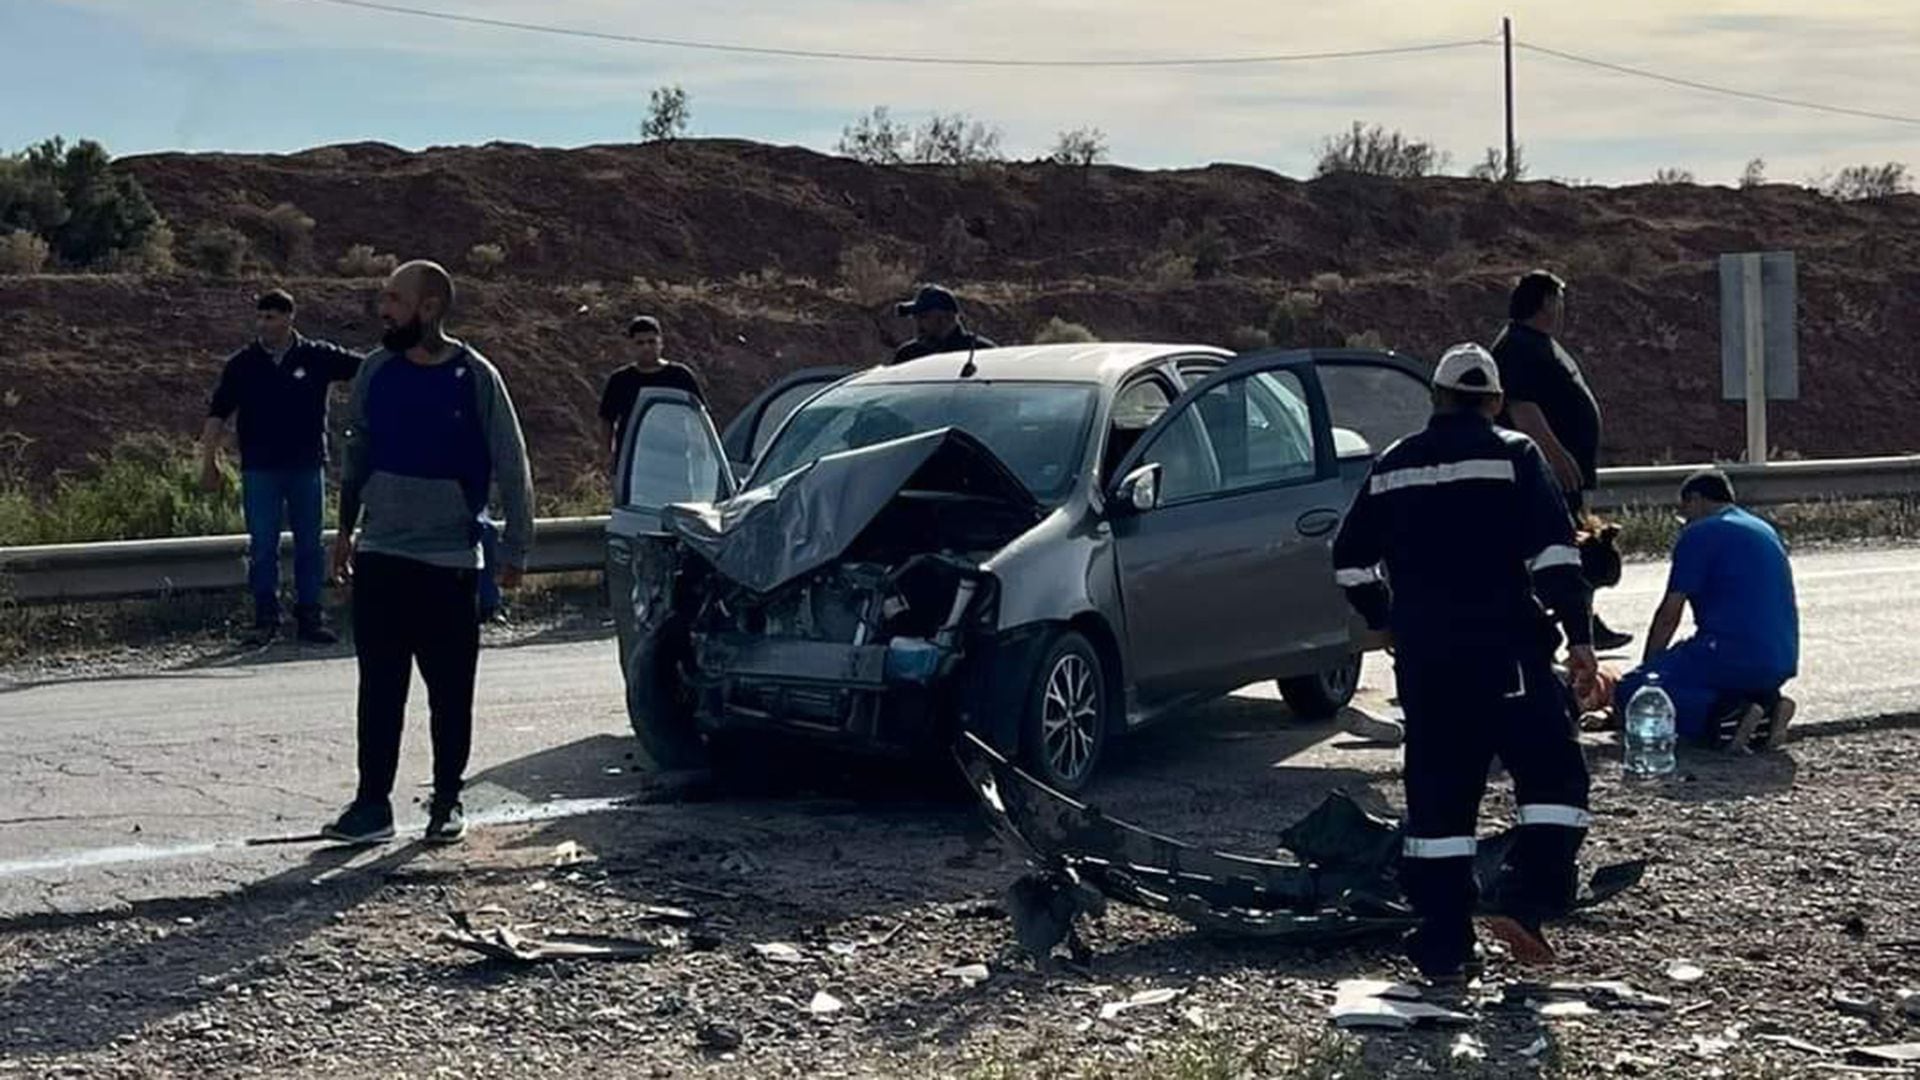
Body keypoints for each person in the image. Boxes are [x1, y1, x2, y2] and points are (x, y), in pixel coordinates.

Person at [1333, 342, 1597, 981]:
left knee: (1439, 808)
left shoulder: (1393, 464)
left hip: (1427, 668)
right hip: (1503, 654)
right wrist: (1580, 638)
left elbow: (1348, 560)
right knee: (1556, 781)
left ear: (1437, 398)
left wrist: (1386, 619)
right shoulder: (1513, 455)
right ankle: (1525, 894)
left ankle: (1445, 944)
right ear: (1496, 402)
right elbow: (1555, 557)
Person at [322, 260, 534, 846]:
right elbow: (356, 452)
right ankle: (372, 806)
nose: (383, 309)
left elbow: (513, 465)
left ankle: (446, 801)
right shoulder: (375, 371)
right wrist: (344, 531)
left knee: (449, 690)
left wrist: (517, 547)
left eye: (394, 298)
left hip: (450, 562)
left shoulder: (476, 376)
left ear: (430, 307)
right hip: (383, 553)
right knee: (379, 687)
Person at [200, 289, 362, 645]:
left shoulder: (317, 356)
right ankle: (265, 618)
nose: (264, 324)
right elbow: (217, 413)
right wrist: (208, 460)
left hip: (306, 465)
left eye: (271, 317)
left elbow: (366, 368)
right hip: (260, 468)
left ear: (289, 317)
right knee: (262, 545)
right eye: (260, 317)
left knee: (309, 544)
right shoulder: (243, 364)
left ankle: (310, 617)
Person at [1489, 270, 1634, 652]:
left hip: (1567, 474)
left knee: (1578, 549)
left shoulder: (1541, 344)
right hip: (1547, 473)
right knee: (1557, 551)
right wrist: (1555, 455)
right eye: (1559, 302)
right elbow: (1522, 408)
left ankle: (1584, 622)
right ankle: (1563, 627)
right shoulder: (1518, 346)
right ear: (1547, 302)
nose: (1563, 310)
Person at [1616, 469, 1799, 751]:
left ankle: (1728, 717)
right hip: (1779, 657)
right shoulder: (1763, 529)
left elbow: (1669, 614)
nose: (1684, 519)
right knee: (1701, 676)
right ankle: (1768, 707)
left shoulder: (1699, 533)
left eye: (1684, 510)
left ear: (1696, 500)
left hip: (1730, 653)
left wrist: (1648, 671)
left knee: (1631, 691)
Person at [597, 316, 704, 461]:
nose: (646, 347)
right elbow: (607, 419)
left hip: (674, 457)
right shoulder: (620, 380)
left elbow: (698, 416)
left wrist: (700, 450)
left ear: (661, 343)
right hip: (631, 459)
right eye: (640, 343)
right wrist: (606, 453)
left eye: (651, 342)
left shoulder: (680, 376)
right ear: (630, 346)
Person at [890, 284, 995, 364]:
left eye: (923, 317)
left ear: (946, 318)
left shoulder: (980, 352)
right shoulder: (908, 355)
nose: (917, 323)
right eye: (915, 318)